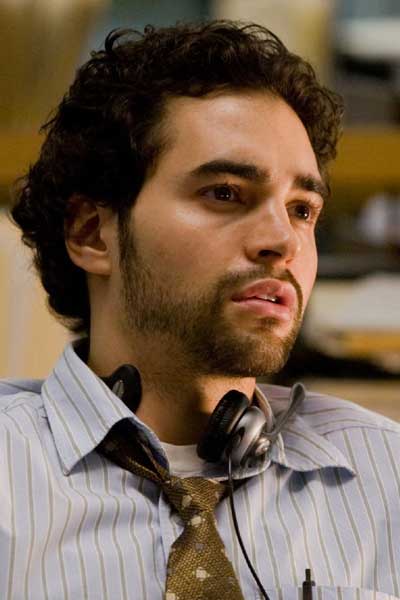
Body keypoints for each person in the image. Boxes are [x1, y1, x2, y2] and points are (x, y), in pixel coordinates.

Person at [2, 20, 399, 600]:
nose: (282, 241)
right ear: (92, 233)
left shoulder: (388, 475)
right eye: (225, 193)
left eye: (302, 209)